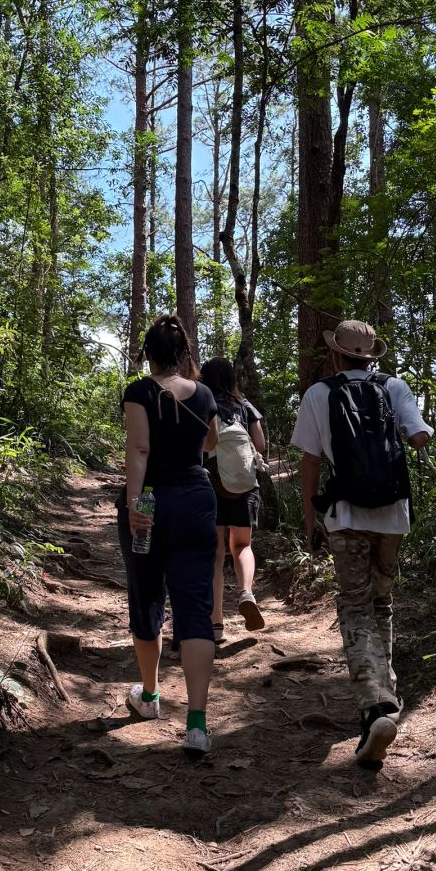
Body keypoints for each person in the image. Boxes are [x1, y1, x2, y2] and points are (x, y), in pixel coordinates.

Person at [290, 320, 432, 772]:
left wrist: (311, 519)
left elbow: (309, 462)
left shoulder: (318, 394)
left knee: (354, 606)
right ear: (372, 356)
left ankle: (374, 706)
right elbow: (418, 435)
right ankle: (387, 697)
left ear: (336, 355)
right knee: (382, 603)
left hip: (346, 515)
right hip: (393, 515)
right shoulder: (395, 387)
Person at [118, 314, 219, 755]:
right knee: (195, 605)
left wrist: (135, 502)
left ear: (147, 354)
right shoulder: (205, 393)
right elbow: (211, 443)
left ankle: (151, 696)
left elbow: (139, 449)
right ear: (183, 354)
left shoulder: (139, 392)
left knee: (147, 595)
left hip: (154, 503)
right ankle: (197, 724)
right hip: (197, 499)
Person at [200, 357, 268, 640]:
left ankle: (216, 625)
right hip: (245, 486)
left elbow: (202, 446)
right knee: (242, 545)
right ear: (231, 379)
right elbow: (261, 445)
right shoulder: (245, 406)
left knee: (215, 554)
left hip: (212, 483)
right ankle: (247, 592)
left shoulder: (202, 403)